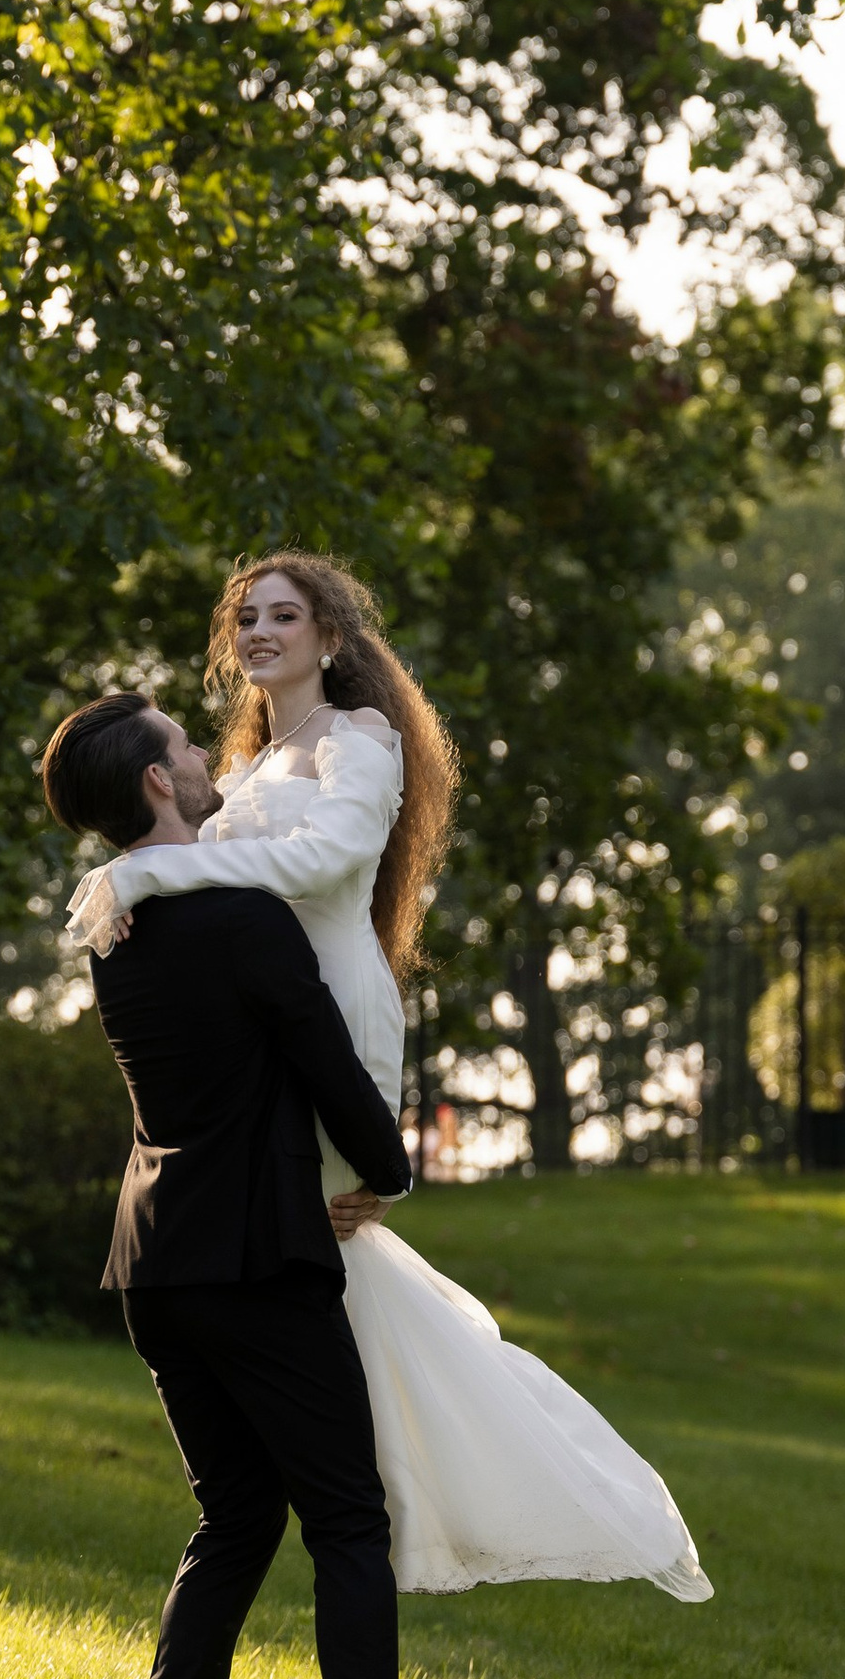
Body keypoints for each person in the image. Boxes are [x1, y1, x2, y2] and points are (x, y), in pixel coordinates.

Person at [62, 554, 713, 1606]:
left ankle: (392, 1496)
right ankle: (371, 1485)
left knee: (324, 1231)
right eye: (247, 617)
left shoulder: (360, 742)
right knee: (312, 1253)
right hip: (264, 1018)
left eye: (286, 614)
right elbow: (214, 872)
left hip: (333, 1017)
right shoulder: (250, 760)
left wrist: (143, 872)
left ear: (332, 637)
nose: (262, 631)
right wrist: (144, 893)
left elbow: (323, 863)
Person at [40, 689, 456, 1679]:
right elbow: (334, 1074)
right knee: (345, 1522)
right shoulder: (246, 921)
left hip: (153, 1264)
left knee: (234, 1516)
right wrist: (391, 1172)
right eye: (183, 742)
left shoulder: (116, 931)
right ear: (160, 787)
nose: (203, 749)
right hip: (259, 1258)